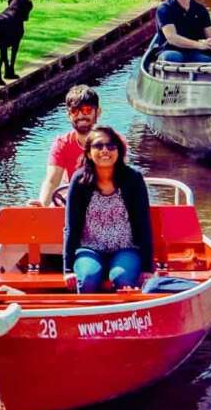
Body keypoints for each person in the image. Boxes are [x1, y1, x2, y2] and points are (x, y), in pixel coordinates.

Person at [64, 126, 152, 293]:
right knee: (89, 279)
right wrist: (67, 269)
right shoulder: (80, 180)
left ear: (119, 151)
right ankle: (87, 316)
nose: (105, 150)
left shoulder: (133, 179)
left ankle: (125, 317)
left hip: (125, 247)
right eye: (98, 146)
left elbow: (143, 223)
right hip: (89, 248)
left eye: (111, 146)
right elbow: (71, 226)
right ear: (89, 153)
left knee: (123, 278)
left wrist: (148, 267)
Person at [32, 85, 101, 206]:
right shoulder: (62, 144)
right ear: (69, 115)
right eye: (74, 111)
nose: (80, 116)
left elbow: (119, 179)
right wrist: (42, 205)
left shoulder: (112, 143)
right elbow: (52, 181)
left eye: (86, 110)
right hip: (73, 201)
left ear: (98, 112)